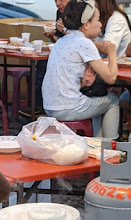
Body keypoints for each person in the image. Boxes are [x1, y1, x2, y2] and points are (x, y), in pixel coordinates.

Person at [42, 0, 120, 139]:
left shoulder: (62, 40)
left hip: (50, 105)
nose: (101, 24)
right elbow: (111, 78)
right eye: (97, 20)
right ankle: (110, 147)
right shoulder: (84, 43)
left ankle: (98, 145)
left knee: (98, 99)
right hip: (67, 107)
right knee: (113, 101)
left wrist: (82, 83)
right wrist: (112, 53)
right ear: (86, 24)